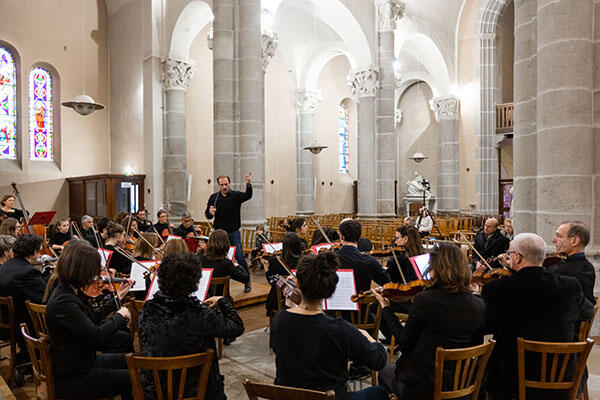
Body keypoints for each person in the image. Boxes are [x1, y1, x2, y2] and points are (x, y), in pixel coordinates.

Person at [481, 233, 594, 400]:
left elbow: (486, 326)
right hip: (560, 378)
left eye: (509, 254)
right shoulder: (569, 285)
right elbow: (587, 312)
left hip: (511, 382)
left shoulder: (497, 289)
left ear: (517, 257)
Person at [271, 251, 388, 400]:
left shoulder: (280, 319)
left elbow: (277, 347)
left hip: (290, 397)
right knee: (381, 393)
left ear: (298, 284)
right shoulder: (339, 329)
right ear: (331, 289)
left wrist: (289, 307)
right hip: (331, 397)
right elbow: (378, 360)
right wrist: (366, 336)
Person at [377, 243, 485, 399]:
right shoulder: (478, 304)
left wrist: (386, 308)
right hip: (459, 384)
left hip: (424, 387)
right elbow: (475, 346)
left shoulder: (426, 299)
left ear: (436, 266)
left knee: (384, 371)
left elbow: (404, 342)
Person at [140, 252, 244, 400]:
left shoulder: (148, 308)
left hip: (157, 390)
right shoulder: (200, 313)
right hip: (197, 391)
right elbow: (236, 327)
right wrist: (222, 301)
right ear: (194, 282)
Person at [46, 241, 133, 399]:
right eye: (93, 270)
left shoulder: (67, 290)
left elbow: (90, 317)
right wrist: (120, 316)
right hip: (73, 376)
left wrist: (117, 299)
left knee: (133, 362)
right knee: (136, 377)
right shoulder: (64, 301)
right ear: (82, 270)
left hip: (81, 362)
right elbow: (96, 336)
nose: (96, 275)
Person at [205, 173, 253, 292]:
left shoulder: (235, 195)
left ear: (229, 184)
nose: (224, 187)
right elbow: (207, 215)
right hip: (219, 234)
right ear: (219, 186)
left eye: (226, 184)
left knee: (240, 257)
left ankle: (246, 281)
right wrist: (210, 213)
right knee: (217, 258)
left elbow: (248, 195)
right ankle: (217, 284)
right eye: (222, 185)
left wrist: (248, 183)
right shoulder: (214, 198)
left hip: (233, 232)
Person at [548, 221, 596, 306]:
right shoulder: (587, 266)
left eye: (559, 236)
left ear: (574, 241)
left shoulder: (563, 271)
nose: (554, 240)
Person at [335, 219, 388, 294]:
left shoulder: (329, 258)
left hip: (333, 303)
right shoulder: (369, 261)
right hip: (361, 303)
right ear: (359, 236)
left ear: (341, 236)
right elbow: (387, 282)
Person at [265, 232, 302, 316]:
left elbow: (271, 281)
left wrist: (266, 269)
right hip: (301, 298)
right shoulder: (304, 260)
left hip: (278, 299)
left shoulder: (275, 261)